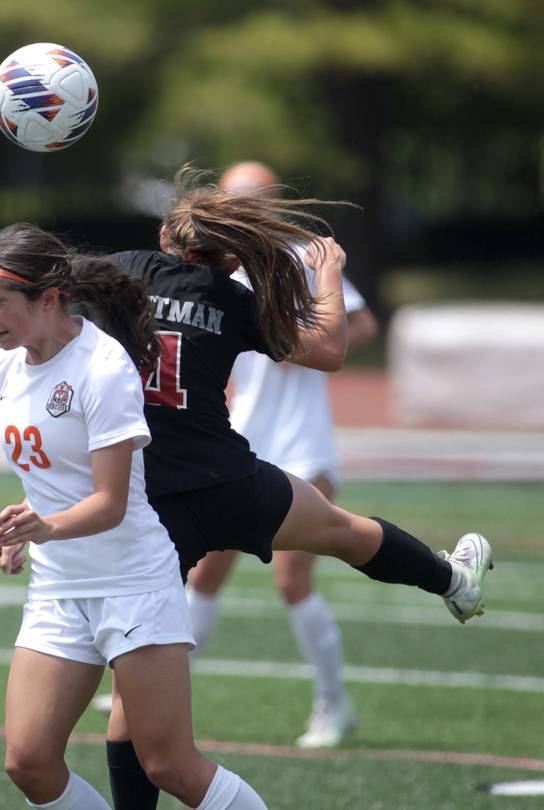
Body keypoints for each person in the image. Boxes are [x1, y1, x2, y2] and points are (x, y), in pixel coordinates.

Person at [79, 167, 493, 810]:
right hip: (231, 478)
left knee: (136, 700)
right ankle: (452, 581)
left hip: (155, 502)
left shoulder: (128, 270)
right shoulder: (234, 298)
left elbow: (51, 283)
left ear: (165, 237)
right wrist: (327, 270)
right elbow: (329, 349)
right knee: (341, 531)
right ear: (233, 254)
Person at [0, 221, 269, 810]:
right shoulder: (5, 368)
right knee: (28, 761)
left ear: (48, 297)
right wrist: (20, 524)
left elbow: (111, 502)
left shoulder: (102, 367)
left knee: (171, 766)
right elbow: (58, 476)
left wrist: (45, 528)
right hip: (60, 586)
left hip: (132, 583)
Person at [186, 160, 378, 749]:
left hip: (303, 440)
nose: (242, 209)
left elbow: (362, 325)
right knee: (203, 572)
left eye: (252, 199)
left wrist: (294, 341)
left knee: (293, 579)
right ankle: (154, 687)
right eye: (233, 199)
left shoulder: (302, 257)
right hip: (242, 437)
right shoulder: (221, 266)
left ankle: (334, 703)